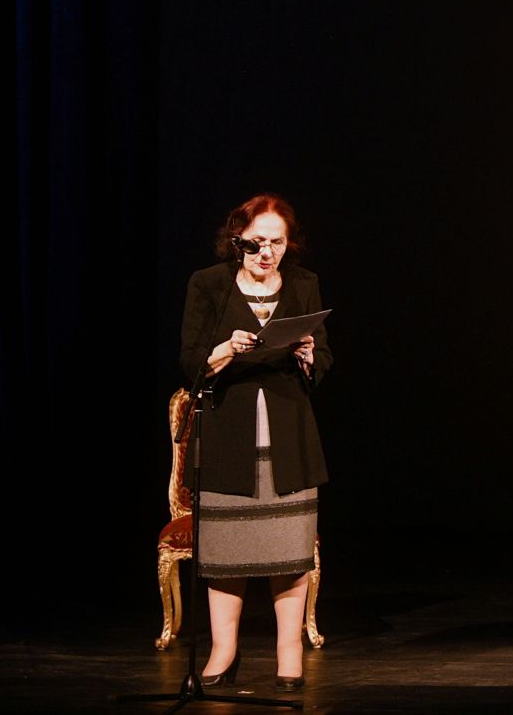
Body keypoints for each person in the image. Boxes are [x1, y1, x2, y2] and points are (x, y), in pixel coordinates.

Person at [179, 193, 333, 691]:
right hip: (229, 433)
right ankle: (225, 648)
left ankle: (289, 650)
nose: (267, 252)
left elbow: (325, 359)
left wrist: (310, 353)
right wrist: (225, 349)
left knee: (288, 547)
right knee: (227, 548)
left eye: (277, 243)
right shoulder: (209, 285)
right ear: (237, 240)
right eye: (257, 242)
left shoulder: (305, 284)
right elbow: (190, 361)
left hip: (288, 434)